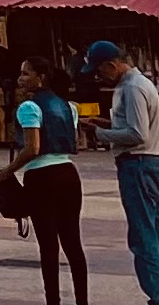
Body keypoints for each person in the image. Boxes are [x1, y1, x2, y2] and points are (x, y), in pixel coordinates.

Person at [8, 57, 90, 305]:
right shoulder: (69, 106)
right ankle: (82, 300)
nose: (20, 78)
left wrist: (6, 171)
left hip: (42, 177)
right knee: (73, 242)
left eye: (25, 73)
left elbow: (33, 148)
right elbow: (73, 142)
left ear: (40, 78)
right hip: (68, 173)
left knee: (48, 245)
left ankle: (53, 300)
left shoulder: (29, 108)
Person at [89, 41, 159, 302]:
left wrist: (99, 133)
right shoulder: (139, 85)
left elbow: (137, 133)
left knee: (143, 235)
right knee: (152, 230)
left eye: (99, 70)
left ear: (112, 64)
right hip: (148, 162)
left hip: (138, 164)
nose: (98, 76)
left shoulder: (131, 88)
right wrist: (106, 123)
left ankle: (155, 294)